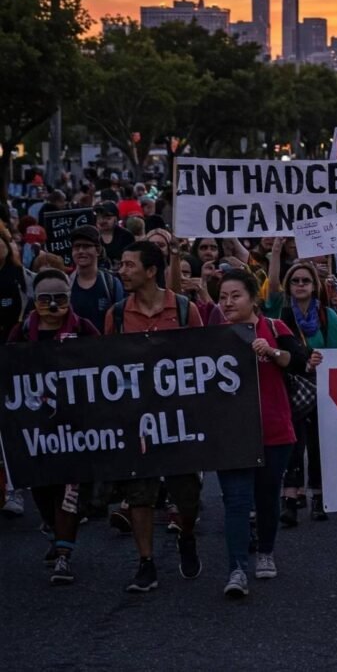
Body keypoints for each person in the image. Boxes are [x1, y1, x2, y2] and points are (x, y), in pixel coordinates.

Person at [105, 240, 204, 593]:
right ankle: (146, 562)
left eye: (129, 265)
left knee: (187, 493)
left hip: (177, 420)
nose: (122, 271)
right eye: (121, 265)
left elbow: (202, 361)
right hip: (136, 421)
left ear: (151, 271)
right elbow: (105, 368)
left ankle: (187, 534)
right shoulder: (116, 314)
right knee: (139, 493)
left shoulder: (182, 310)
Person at [215, 269, 314, 597]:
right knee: (236, 500)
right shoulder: (212, 335)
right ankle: (237, 569)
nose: (227, 303)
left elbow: (299, 362)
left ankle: (266, 552)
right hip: (230, 432)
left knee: (267, 495)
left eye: (235, 296)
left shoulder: (274, 327)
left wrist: (271, 353)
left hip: (274, 429)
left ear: (254, 299)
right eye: (222, 297)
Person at [7, 268, 100, 585]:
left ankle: (64, 555)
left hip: (76, 429)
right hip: (37, 431)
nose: (53, 305)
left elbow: (106, 365)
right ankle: (54, 531)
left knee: (69, 492)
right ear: (35, 301)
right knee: (43, 491)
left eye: (60, 298)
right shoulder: (21, 332)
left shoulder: (84, 329)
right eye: (45, 298)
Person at [266, 244, 337, 525]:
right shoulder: (279, 312)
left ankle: (319, 498)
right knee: (293, 443)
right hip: (288, 386)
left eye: (306, 281)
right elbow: (272, 286)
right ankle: (289, 499)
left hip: (320, 388)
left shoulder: (327, 316)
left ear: (315, 286)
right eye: (295, 281)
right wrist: (276, 250)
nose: (300, 285)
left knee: (319, 444)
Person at [68, 225, 124, 333]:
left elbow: (120, 320)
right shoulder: (66, 283)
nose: (80, 251)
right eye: (77, 246)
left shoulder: (111, 284)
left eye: (86, 246)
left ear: (98, 250)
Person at [95, 202, 134, 268]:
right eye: (99, 217)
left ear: (116, 219)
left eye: (107, 217)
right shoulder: (92, 236)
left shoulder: (126, 236)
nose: (103, 221)